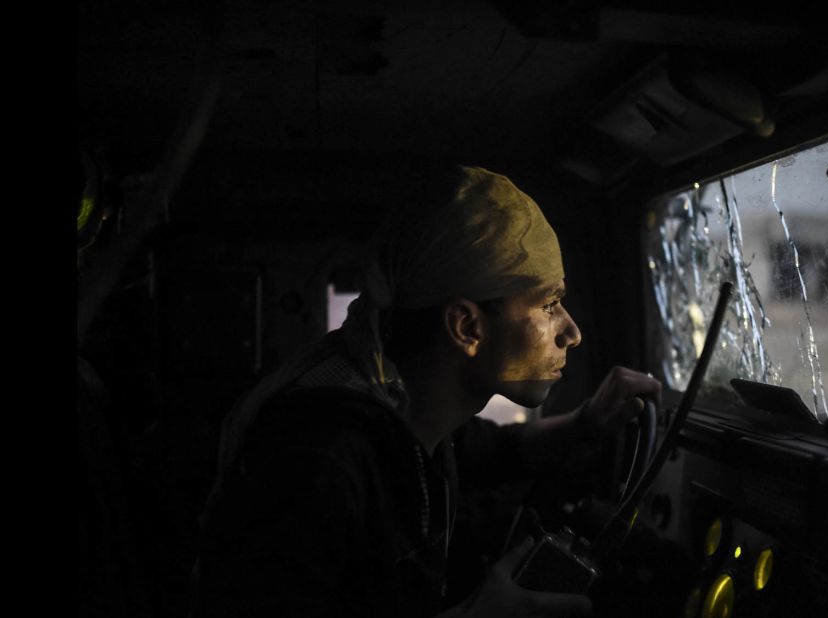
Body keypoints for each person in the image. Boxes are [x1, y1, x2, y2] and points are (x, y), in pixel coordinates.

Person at [190, 166, 660, 617]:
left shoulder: (408, 413)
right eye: (550, 304)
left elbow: (499, 451)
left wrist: (587, 422)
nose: (572, 332)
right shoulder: (319, 460)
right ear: (467, 326)